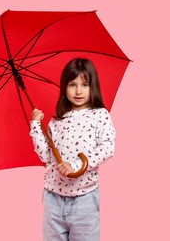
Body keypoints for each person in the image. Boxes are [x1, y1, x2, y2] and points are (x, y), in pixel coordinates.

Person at [29, 58, 116, 241]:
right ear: (64, 87)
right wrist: (36, 125)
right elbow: (46, 156)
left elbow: (108, 146)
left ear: (93, 87)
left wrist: (77, 165)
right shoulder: (56, 121)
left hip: (84, 199)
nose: (78, 91)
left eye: (84, 85)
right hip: (52, 198)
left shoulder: (99, 115)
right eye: (72, 85)